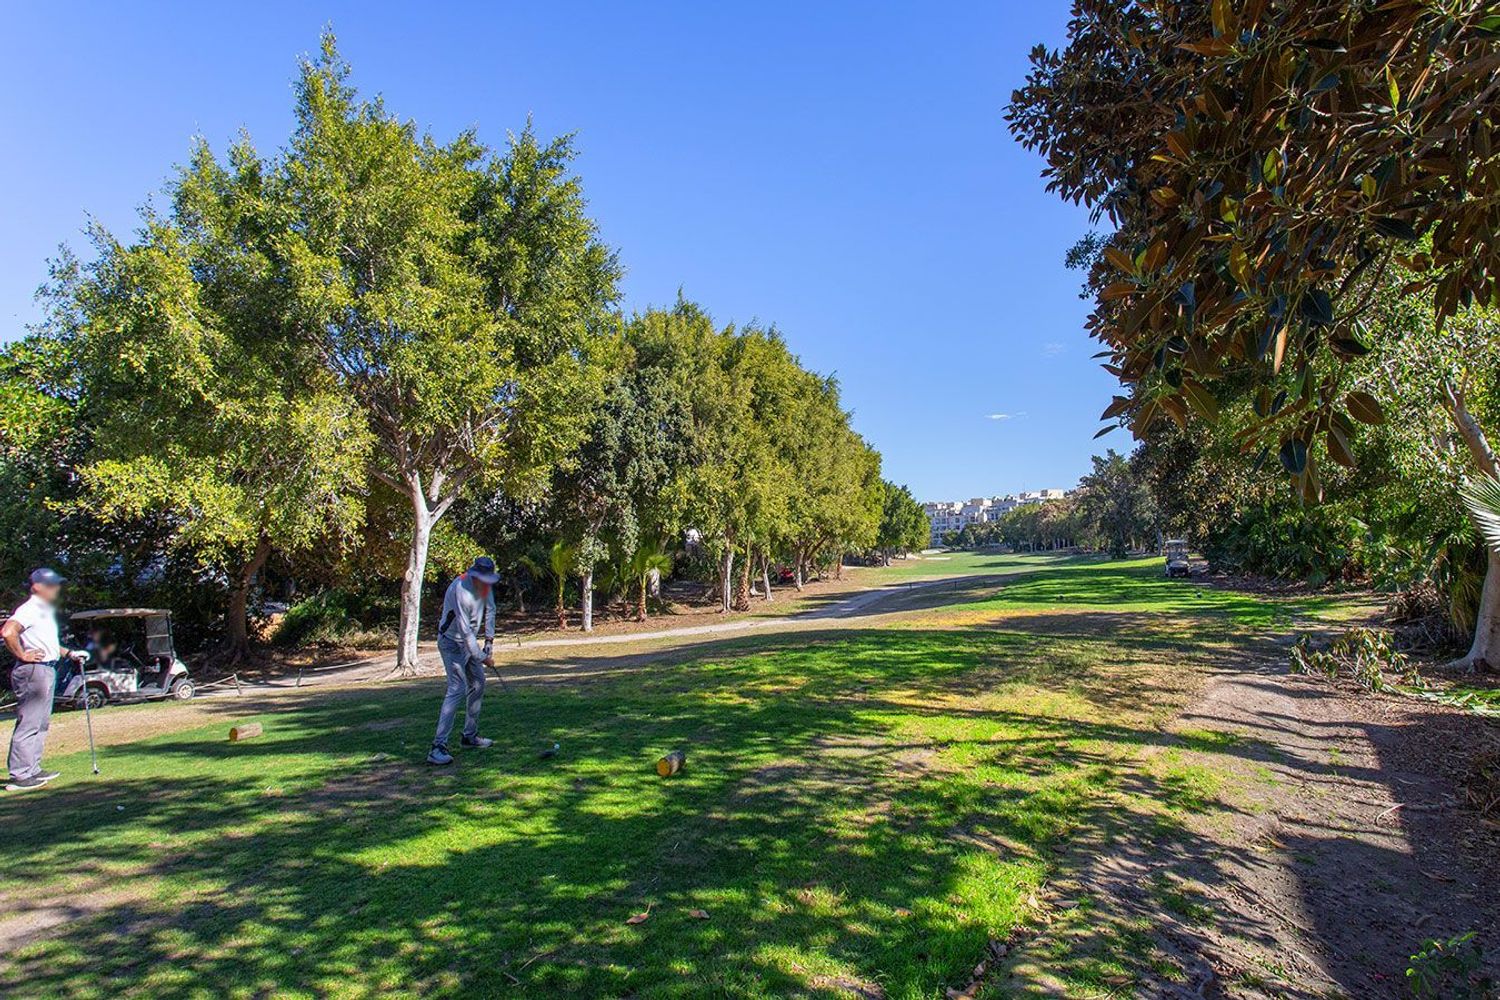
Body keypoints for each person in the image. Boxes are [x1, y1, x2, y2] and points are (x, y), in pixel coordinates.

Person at [5, 568, 90, 792]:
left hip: (46, 669)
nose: (56, 589)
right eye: (51, 585)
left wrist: (70, 654)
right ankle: (20, 775)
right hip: (33, 670)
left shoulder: (42, 611)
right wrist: (22, 654)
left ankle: (33, 769)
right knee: (30, 721)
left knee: (41, 722)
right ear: (37, 587)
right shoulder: (29, 609)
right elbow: (7, 632)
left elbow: (47, 644)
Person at [428, 556, 500, 765]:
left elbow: (491, 610)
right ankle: (437, 747)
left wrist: (489, 641)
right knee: (457, 689)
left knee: (478, 684)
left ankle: (469, 736)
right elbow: (465, 631)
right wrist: (483, 657)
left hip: (470, 644)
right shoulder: (460, 589)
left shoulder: (485, 586)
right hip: (452, 643)